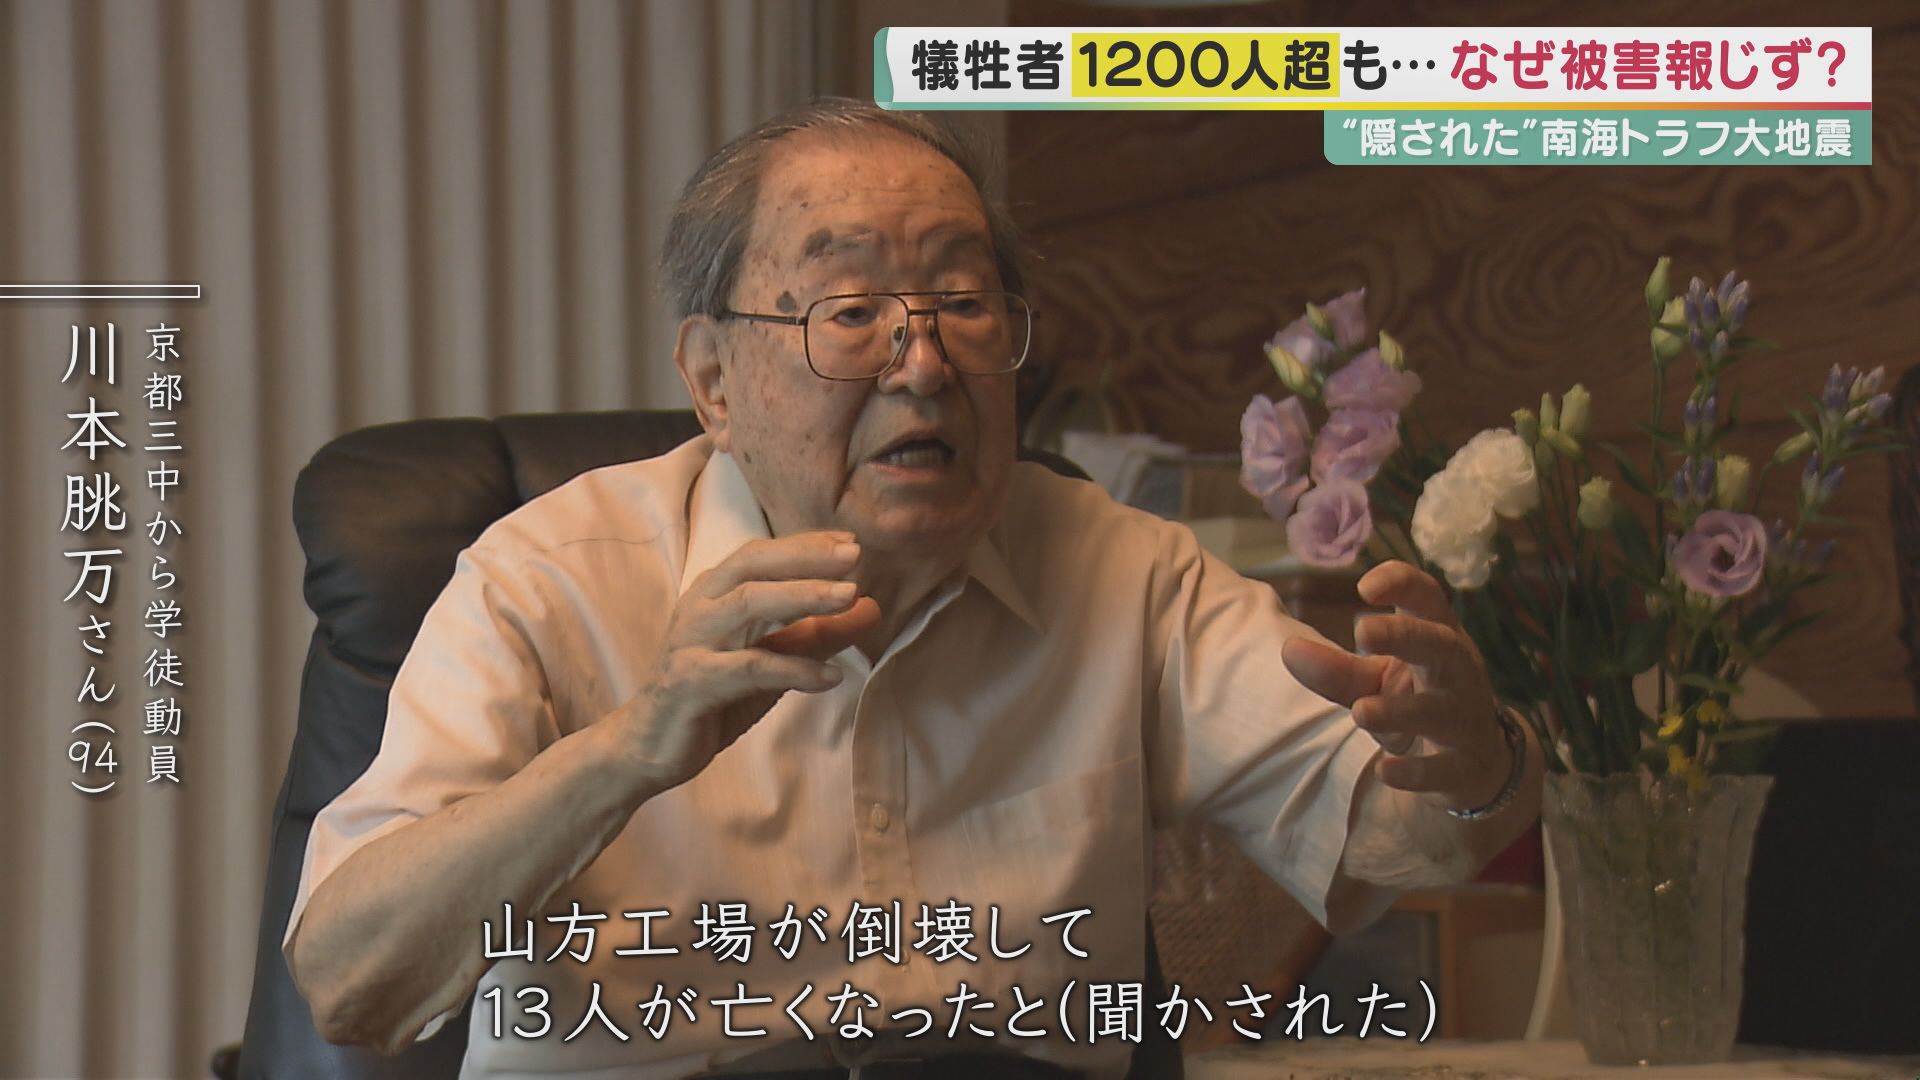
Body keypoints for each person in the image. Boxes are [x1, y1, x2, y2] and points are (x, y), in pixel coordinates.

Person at [282, 98, 1542, 1080]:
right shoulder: (546, 580)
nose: (924, 362)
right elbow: (349, 980)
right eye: (850, 311)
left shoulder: (1124, 569)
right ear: (714, 381)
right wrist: (627, 750)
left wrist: (1469, 764)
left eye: (963, 302)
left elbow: (1390, 834)